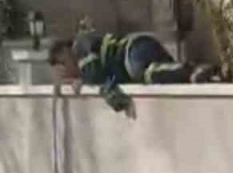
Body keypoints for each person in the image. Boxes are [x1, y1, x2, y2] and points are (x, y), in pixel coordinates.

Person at [47, 31, 217, 113]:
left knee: (141, 72)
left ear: (64, 51)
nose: (67, 69)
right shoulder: (82, 59)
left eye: (63, 63)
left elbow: (94, 73)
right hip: (138, 54)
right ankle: (204, 76)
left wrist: (81, 81)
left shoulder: (80, 46)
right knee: (155, 77)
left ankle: (190, 70)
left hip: (133, 49)